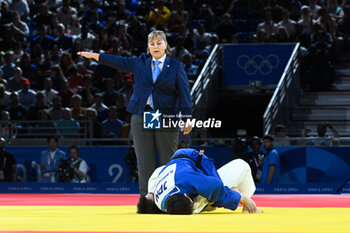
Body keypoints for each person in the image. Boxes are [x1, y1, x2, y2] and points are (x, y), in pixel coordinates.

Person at [77, 30, 192, 196]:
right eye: (152, 44)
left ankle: (170, 197)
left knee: (168, 159)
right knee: (145, 161)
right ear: (148, 47)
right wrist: (96, 56)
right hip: (142, 114)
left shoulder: (176, 67)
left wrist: (187, 118)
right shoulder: (140, 62)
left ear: (166, 45)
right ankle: (148, 199)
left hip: (166, 116)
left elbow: (184, 94)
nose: (155, 46)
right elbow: (119, 61)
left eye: (159, 43)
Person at [137, 148, 263, 214]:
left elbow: (215, 186)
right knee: (242, 165)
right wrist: (242, 197)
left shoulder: (162, 204)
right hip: (185, 165)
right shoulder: (156, 182)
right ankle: (245, 204)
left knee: (218, 188)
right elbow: (216, 186)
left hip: (193, 166)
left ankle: (223, 196)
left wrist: (237, 196)